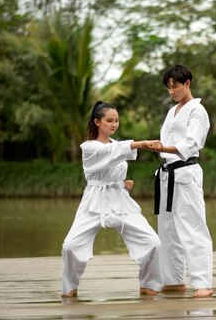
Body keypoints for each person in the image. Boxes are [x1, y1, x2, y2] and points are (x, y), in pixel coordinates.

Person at [61, 101, 162, 298]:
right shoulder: (89, 147)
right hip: (94, 200)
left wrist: (123, 182)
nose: (114, 124)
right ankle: (69, 287)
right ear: (97, 122)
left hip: (119, 198)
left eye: (116, 120)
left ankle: (149, 284)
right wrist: (141, 143)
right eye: (109, 120)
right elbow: (107, 155)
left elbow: (115, 161)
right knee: (70, 246)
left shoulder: (117, 145)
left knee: (153, 242)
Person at [151, 64, 214, 298]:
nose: (172, 91)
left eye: (175, 86)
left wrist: (163, 147)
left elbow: (191, 143)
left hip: (186, 172)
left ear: (187, 82)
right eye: (168, 88)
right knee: (168, 229)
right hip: (167, 174)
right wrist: (157, 146)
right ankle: (174, 280)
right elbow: (167, 140)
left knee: (193, 228)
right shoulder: (172, 111)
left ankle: (203, 282)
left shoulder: (197, 111)